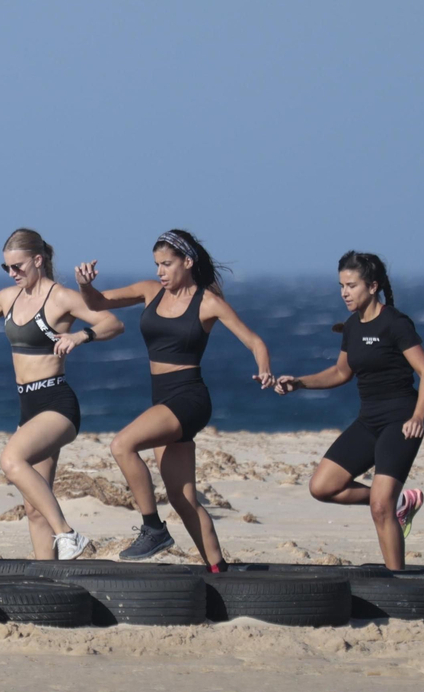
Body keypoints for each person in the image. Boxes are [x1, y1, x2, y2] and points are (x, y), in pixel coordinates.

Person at [74, 230, 274, 571]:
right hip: (163, 398)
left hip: (190, 397)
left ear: (188, 262)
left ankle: (152, 528)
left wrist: (265, 370)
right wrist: (84, 285)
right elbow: (97, 303)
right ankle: (217, 568)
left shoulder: (208, 303)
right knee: (183, 499)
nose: (160, 272)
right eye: (157, 265)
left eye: (167, 264)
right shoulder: (149, 291)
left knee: (122, 445)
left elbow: (254, 341)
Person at [0, 228, 123, 560]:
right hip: (28, 406)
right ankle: (50, 580)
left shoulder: (61, 297)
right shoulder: (8, 297)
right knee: (35, 509)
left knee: (11, 460)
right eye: (6, 268)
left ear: (38, 261)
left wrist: (80, 337)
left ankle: (68, 534)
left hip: (57, 404)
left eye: (18, 267)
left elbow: (112, 323)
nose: (12, 274)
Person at [273, 252, 424, 571]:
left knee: (379, 507)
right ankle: (400, 503)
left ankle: (397, 582)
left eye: (352, 285)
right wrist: (300, 383)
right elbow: (340, 373)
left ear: (372, 286)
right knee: (322, 487)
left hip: (400, 422)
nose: (345, 292)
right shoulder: (351, 326)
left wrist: (418, 417)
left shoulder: (395, 323)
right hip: (368, 420)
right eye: (341, 286)